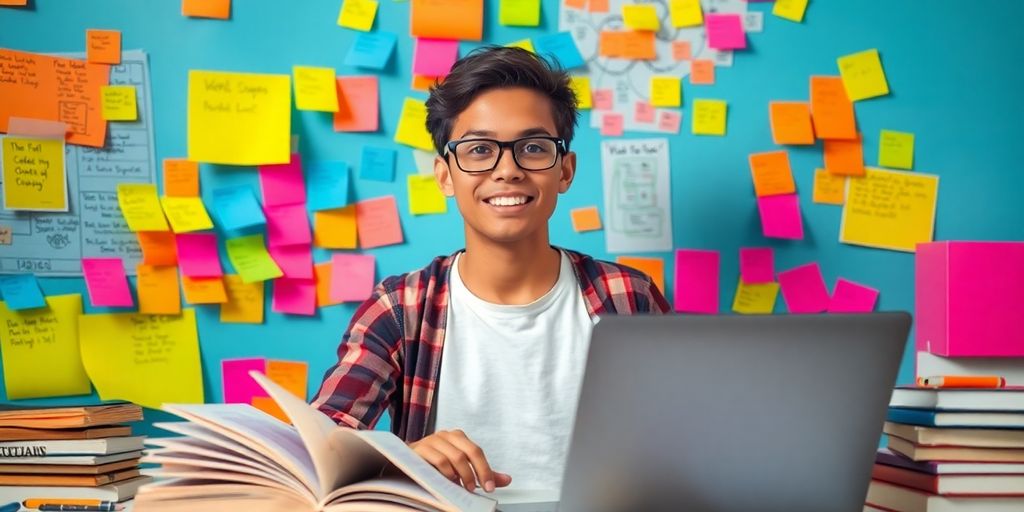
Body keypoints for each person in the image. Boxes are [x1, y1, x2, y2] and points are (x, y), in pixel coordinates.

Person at [310, 46, 671, 497]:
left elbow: (680, 439)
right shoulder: (400, 308)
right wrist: (401, 462)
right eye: (479, 149)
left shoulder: (626, 295)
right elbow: (318, 450)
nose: (508, 170)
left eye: (534, 148)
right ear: (445, 176)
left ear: (565, 170)